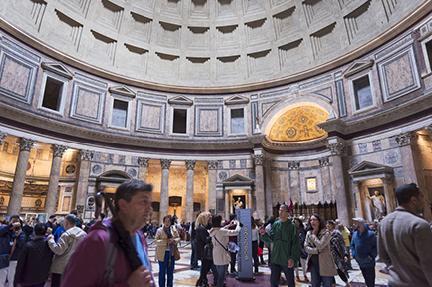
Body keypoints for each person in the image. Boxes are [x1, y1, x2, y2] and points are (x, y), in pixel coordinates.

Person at [62, 179, 154, 287]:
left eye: (150, 203)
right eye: (143, 202)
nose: (150, 209)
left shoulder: (140, 237)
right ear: (123, 205)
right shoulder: (98, 241)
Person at [378, 183, 432, 287]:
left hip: (394, 282)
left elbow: (383, 256)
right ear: (413, 200)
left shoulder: (384, 222)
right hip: (418, 283)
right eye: (421, 197)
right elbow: (428, 263)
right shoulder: (419, 224)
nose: (424, 201)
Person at [260, 204, 300, 287]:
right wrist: (264, 234)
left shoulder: (292, 226)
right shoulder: (275, 224)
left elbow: (295, 244)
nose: (280, 212)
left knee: (290, 281)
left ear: (287, 213)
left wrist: (292, 258)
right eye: (279, 210)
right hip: (276, 258)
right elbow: (271, 238)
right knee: (273, 281)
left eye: (282, 211)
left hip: (287, 258)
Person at [48, 214, 87, 287]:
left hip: (61, 268)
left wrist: (50, 239)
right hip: (74, 266)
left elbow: (58, 250)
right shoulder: (84, 234)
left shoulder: (66, 235)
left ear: (67, 223)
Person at [304, 214, 336, 287]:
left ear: (319, 221)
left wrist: (313, 236)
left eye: (314, 219)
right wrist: (316, 251)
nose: (312, 222)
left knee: (327, 284)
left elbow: (320, 245)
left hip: (325, 263)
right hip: (313, 263)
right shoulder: (308, 232)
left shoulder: (326, 233)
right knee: (315, 284)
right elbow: (306, 247)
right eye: (311, 220)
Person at [209, 215, 241, 287]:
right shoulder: (221, 231)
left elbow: (221, 229)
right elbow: (236, 232)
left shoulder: (212, 230)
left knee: (218, 274)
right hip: (222, 254)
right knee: (221, 276)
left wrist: (229, 225)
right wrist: (239, 224)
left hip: (215, 253)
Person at [155, 215, 180, 287]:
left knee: (170, 273)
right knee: (162, 272)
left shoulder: (173, 229)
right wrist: (165, 242)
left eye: (168, 221)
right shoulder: (159, 230)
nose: (167, 223)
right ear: (163, 222)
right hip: (162, 254)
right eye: (165, 221)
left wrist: (174, 240)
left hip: (171, 254)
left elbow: (178, 238)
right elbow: (156, 241)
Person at [350, 218, 376, 287]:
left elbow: (375, 247)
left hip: (369, 262)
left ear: (361, 224)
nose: (354, 224)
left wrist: (371, 256)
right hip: (360, 261)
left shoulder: (371, 234)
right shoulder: (355, 234)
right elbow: (352, 245)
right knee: (365, 278)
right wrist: (354, 254)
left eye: (356, 223)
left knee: (370, 279)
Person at [195, 211, 216, 287]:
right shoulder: (200, 228)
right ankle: (202, 282)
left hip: (207, 253)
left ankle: (201, 282)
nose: (210, 219)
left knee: (205, 269)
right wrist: (212, 234)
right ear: (204, 219)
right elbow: (206, 239)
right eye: (209, 218)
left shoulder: (206, 227)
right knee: (205, 269)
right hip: (204, 253)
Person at [327, 220, 350, 287]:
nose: (327, 226)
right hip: (329, 254)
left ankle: (346, 282)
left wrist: (345, 254)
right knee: (330, 270)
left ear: (332, 225)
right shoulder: (327, 233)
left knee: (340, 269)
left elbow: (342, 243)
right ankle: (333, 284)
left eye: (329, 224)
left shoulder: (337, 233)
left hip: (337, 254)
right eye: (327, 224)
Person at [0, 215, 21, 285]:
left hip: (9, 258)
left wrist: (17, 234)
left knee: (5, 277)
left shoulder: (15, 233)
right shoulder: (4, 229)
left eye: (16, 222)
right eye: (13, 221)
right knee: (2, 278)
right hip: (2, 257)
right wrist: (10, 226)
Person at [294, 217, 309, 283]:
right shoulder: (292, 229)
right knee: (296, 264)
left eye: (297, 222)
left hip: (302, 249)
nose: (296, 223)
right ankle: (297, 276)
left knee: (303, 263)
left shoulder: (302, 229)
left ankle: (305, 275)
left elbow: (303, 238)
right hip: (295, 249)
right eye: (294, 222)